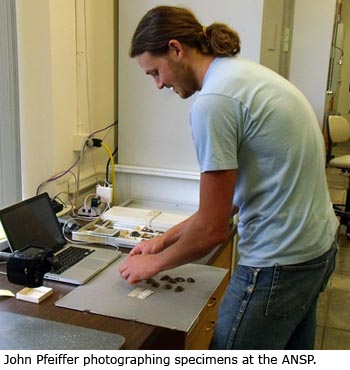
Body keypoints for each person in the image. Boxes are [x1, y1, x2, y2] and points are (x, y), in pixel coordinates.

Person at [119, 5, 339, 349]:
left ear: (176, 49)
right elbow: (233, 200)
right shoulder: (242, 75)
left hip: (276, 265)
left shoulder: (214, 102)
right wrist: (164, 240)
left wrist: (154, 264)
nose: (159, 84)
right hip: (316, 251)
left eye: (155, 72)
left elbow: (212, 230)